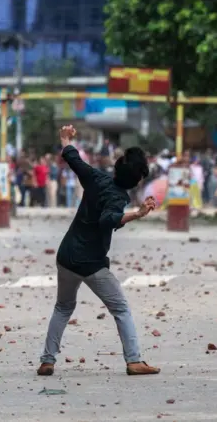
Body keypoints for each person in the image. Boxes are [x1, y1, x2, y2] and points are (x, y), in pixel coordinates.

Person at [37, 124, 160, 377]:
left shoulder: (96, 177)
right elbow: (108, 219)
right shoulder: (118, 198)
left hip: (66, 257)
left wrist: (65, 139)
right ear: (136, 180)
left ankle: (47, 360)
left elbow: (73, 159)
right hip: (91, 263)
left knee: (63, 307)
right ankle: (134, 360)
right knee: (121, 309)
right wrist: (137, 213)